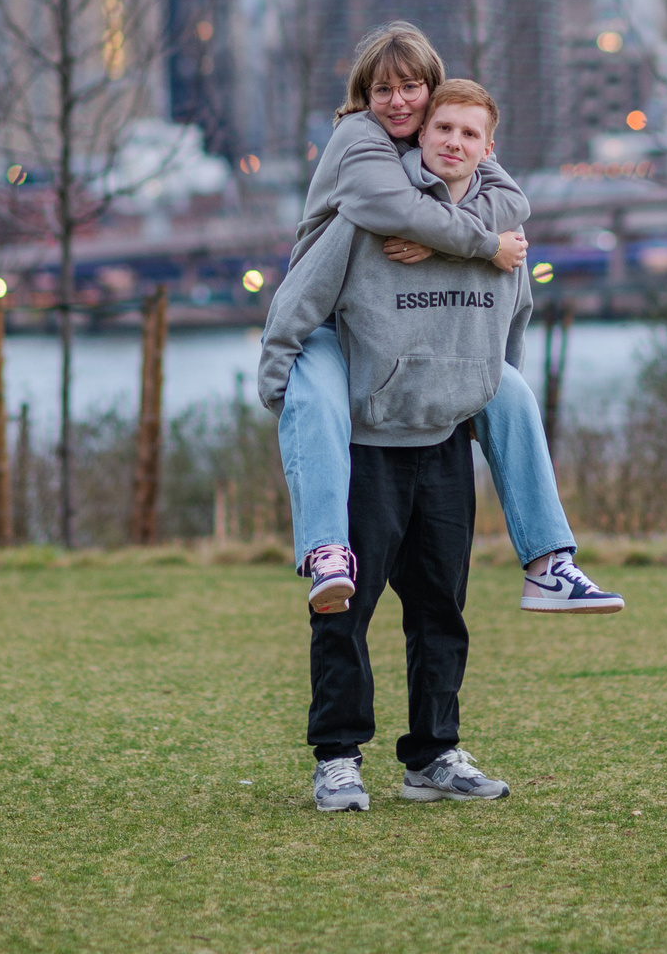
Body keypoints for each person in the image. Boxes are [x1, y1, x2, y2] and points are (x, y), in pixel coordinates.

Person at [274, 22, 619, 620]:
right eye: (382, 89)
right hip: (332, 325)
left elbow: (512, 200)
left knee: (509, 392)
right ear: (364, 95)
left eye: (411, 88)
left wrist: (443, 245)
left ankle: (549, 565)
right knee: (320, 406)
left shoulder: (436, 143)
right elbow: (394, 210)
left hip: (396, 331)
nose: (397, 101)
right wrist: (482, 247)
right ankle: (327, 550)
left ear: (431, 91)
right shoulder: (360, 140)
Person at [259, 80, 535, 811]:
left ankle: (434, 756)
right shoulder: (368, 215)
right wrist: (277, 380)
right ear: (421, 136)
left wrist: (488, 395)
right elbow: (301, 296)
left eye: (469, 135)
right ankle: (338, 758)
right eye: (442, 128)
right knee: (346, 607)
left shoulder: (496, 234)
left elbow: (514, 319)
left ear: (488, 148)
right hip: (367, 443)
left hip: (444, 438)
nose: (453, 143)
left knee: (443, 604)